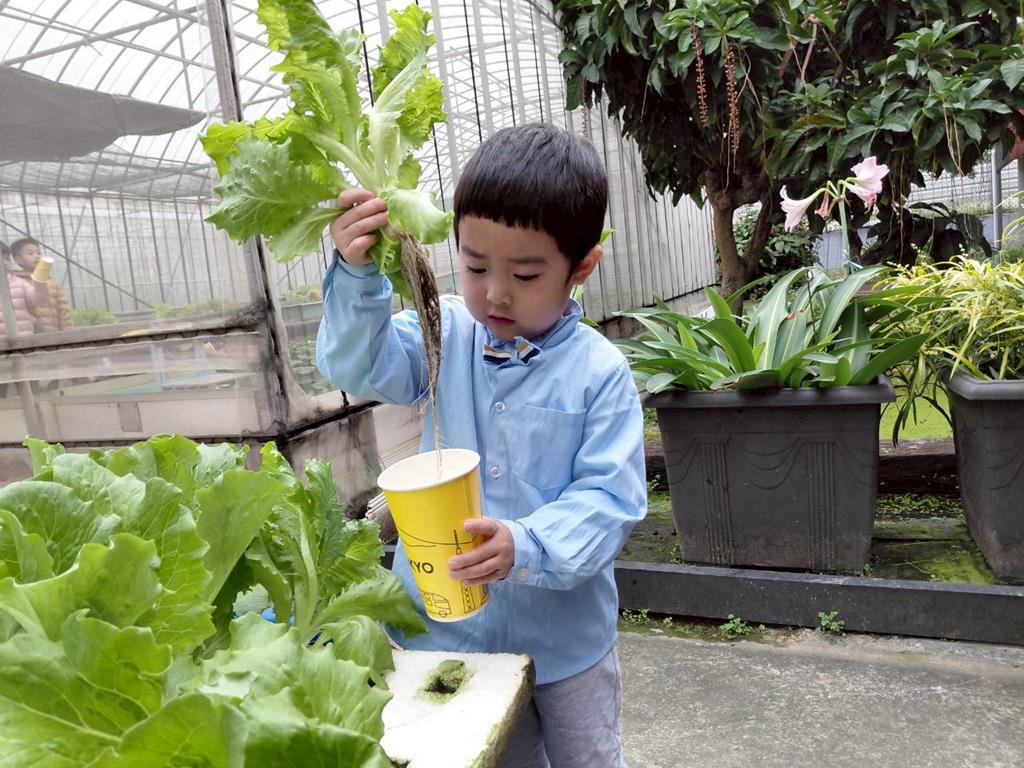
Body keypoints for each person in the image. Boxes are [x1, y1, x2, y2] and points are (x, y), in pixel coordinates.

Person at [316, 123, 646, 768]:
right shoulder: (444, 332)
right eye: (474, 266)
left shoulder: (599, 371)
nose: (495, 292)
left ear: (581, 267)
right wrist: (356, 274)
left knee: (587, 758)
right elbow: (361, 366)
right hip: (449, 634)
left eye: (525, 273)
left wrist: (528, 543)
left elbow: (611, 499)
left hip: (566, 646)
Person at [10, 237, 71, 333]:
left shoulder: (50, 281)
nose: (37, 256)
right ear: (18, 260)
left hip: (55, 334)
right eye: (30, 253)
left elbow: (63, 309)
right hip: (32, 335)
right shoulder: (17, 283)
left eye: (39, 253)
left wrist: (67, 331)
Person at [0, 239, 44, 338]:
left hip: (24, 340)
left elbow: (38, 301)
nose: (5, 262)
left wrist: (40, 282)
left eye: (7, 258)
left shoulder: (19, 283)